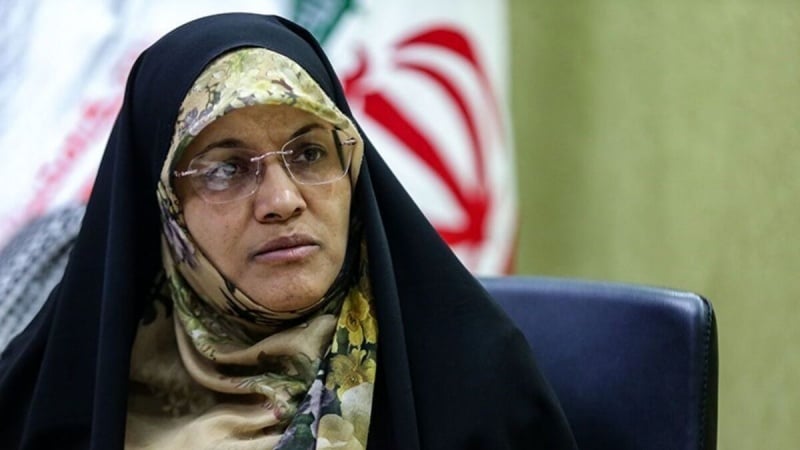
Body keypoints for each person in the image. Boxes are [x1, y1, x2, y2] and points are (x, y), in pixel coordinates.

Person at [0, 13, 576, 449]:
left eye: (309, 154)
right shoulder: (49, 402)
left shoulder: (473, 388)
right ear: (165, 208)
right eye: (226, 169)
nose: (282, 201)